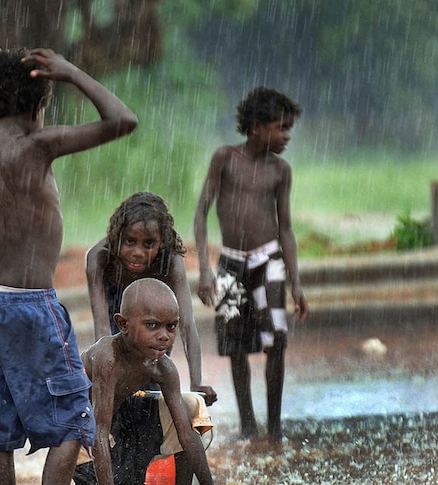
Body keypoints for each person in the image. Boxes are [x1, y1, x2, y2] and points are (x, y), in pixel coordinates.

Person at [0, 46, 137, 484]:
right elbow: (122, 120)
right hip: (30, 307)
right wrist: (72, 72)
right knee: (74, 421)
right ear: (38, 107)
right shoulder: (39, 147)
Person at [193, 86, 310, 442]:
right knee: (235, 344)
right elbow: (200, 214)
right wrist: (203, 268)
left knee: (277, 340)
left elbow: (286, 228)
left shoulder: (280, 171)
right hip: (230, 264)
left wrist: (295, 281)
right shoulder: (225, 159)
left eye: (289, 128)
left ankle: (274, 428)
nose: (288, 136)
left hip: (268, 260)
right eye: (282, 128)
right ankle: (247, 425)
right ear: (257, 126)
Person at [85, 191, 217, 405]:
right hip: (117, 306)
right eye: (129, 241)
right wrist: (105, 376)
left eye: (148, 244)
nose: (138, 252)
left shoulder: (170, 262)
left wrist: (197, 382)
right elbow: (102, 330)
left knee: (151, 371)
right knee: (115, 378)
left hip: (156, 313)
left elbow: (186, 324)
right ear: (117, 236)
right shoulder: (100, 257)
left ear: (161, 242)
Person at [79, 278, 214, 485]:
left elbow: (185, 433)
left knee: (192, 406)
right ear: (123, 324)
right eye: (152, 325)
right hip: (84, 432)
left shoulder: (163, 367)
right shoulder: (109, 359)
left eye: (171, 326)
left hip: (121, 424)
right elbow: (99, 433)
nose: (164, 336)